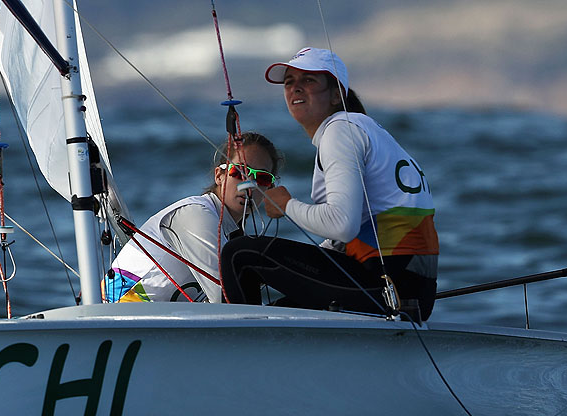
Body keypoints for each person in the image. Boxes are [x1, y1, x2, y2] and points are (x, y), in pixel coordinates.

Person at [220, 47, 439, 320]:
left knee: (239, 254)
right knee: (281, 312)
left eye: (309, 80)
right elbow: (346, 236)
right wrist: (298, 262)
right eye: (289, 82)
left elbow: (342, 225)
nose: (295, 88)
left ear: (337, 95)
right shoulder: (365, 129)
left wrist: (286, 205)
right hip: (410, 291)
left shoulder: (340, 130)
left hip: (386, 287)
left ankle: (243, 340)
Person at [104, 132, 282, 303]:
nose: (249, 185)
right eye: (239, 172)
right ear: (219, 176)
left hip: (151, 317)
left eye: (262, 178)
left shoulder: (228, 232)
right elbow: (225, 299)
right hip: (116, 313)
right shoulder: (198, 214)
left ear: (268, 188)